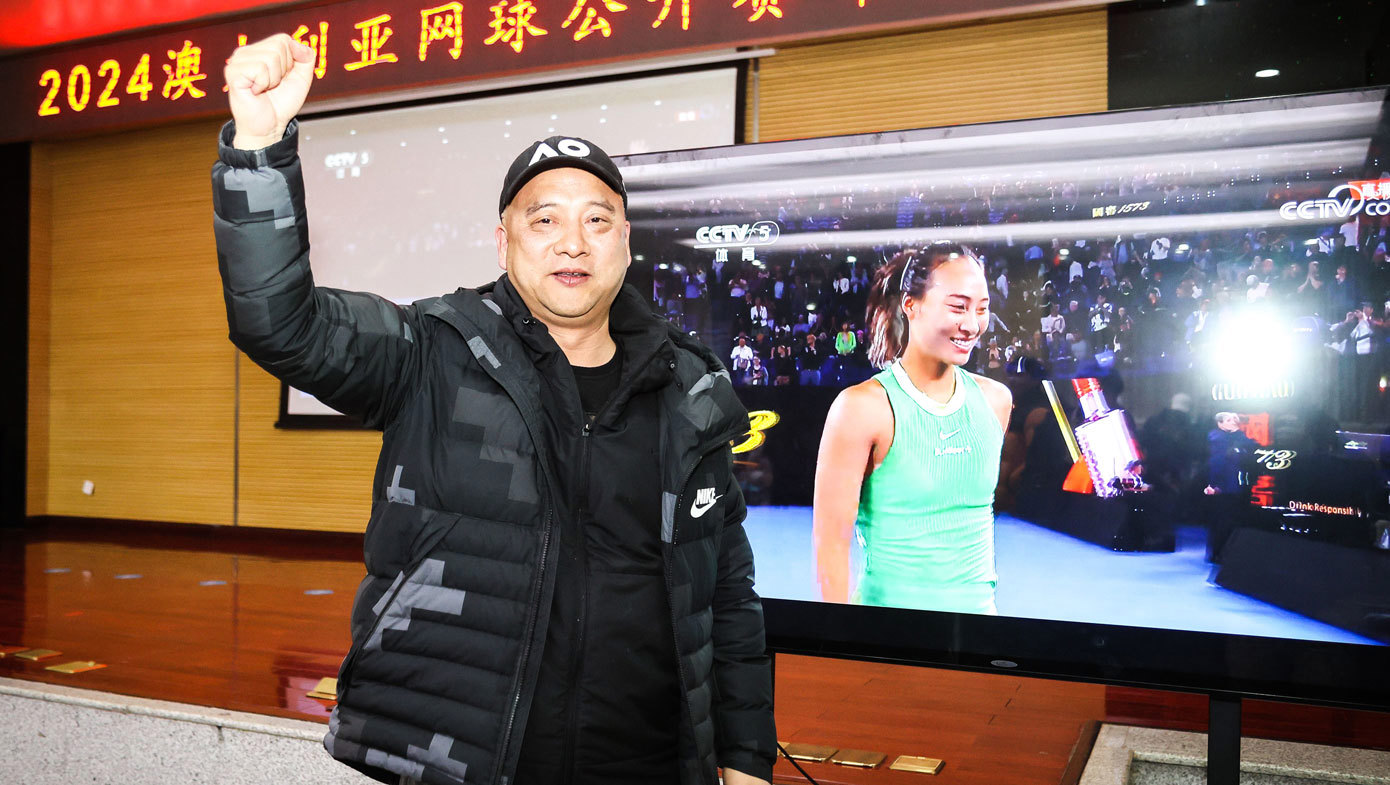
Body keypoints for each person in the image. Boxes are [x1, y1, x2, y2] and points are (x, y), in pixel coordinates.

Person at [212, 35, 774, 785]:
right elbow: (280, 323)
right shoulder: (434, 350)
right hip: (466, 763)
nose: (573, 241)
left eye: (597, 220)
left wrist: (744, 755)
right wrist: (258, 147)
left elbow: (727, 596)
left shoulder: (691, 393)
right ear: (503, 240)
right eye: (544, 220)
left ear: (627, 242)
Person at [812, 244, 1012, 614]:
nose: (971, 325)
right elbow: (831, 543)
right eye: (958, 306)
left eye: (981, 309)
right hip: (889, 644)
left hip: (981, 640)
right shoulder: (861, 408)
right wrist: (839, 645)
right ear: (911, 305)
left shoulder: (995, 401)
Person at [1203, 412, 1258, 563]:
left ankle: (1228, 552)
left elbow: (1251, 449)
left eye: (1235, 419)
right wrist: (1216, 485)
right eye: (1229, 419)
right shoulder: (1218, 439)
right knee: (1223, 520)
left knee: (1233, 519)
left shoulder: (1240, 439)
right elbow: (1217, 464)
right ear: (1220, 423)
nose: (1234, 421)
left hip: (1238, 486)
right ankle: (1219, 553)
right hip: (1224, 487)